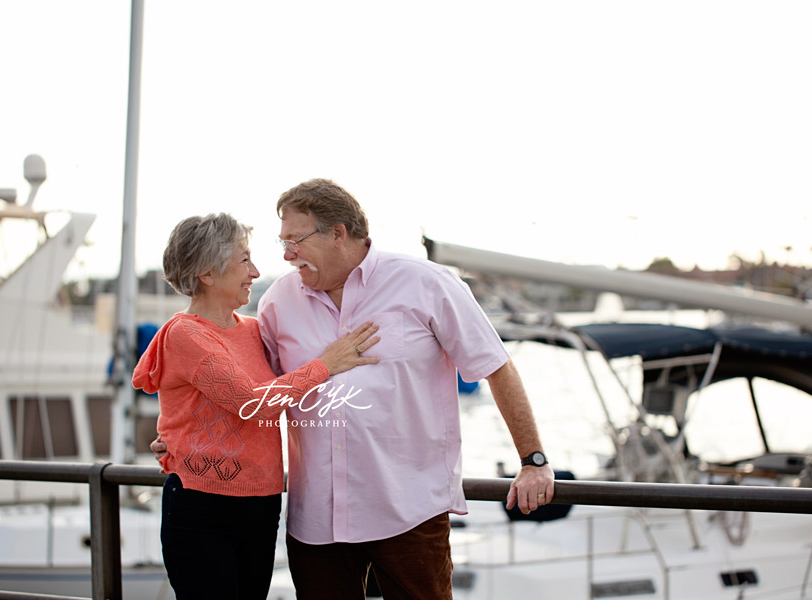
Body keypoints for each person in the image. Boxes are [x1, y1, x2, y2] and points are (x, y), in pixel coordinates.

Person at [152, 183, 555, 599]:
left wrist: (532, 460)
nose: (286, 254)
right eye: (282, 242)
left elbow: (496, 367)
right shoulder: (276, 303)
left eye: (295, 240)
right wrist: (184, 436)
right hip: (316, 522)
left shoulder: (427, 283)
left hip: (408, 512)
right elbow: (257, 394)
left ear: (337, 234)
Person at [133, 213, 380, 600]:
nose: (255, 271)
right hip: (202, 507)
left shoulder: (253, 330)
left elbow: (280, 388)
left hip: (262, 504)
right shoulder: (185, 334)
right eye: (244, 259)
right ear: (207, 273)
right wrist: (327, 364)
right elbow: (253, 403)